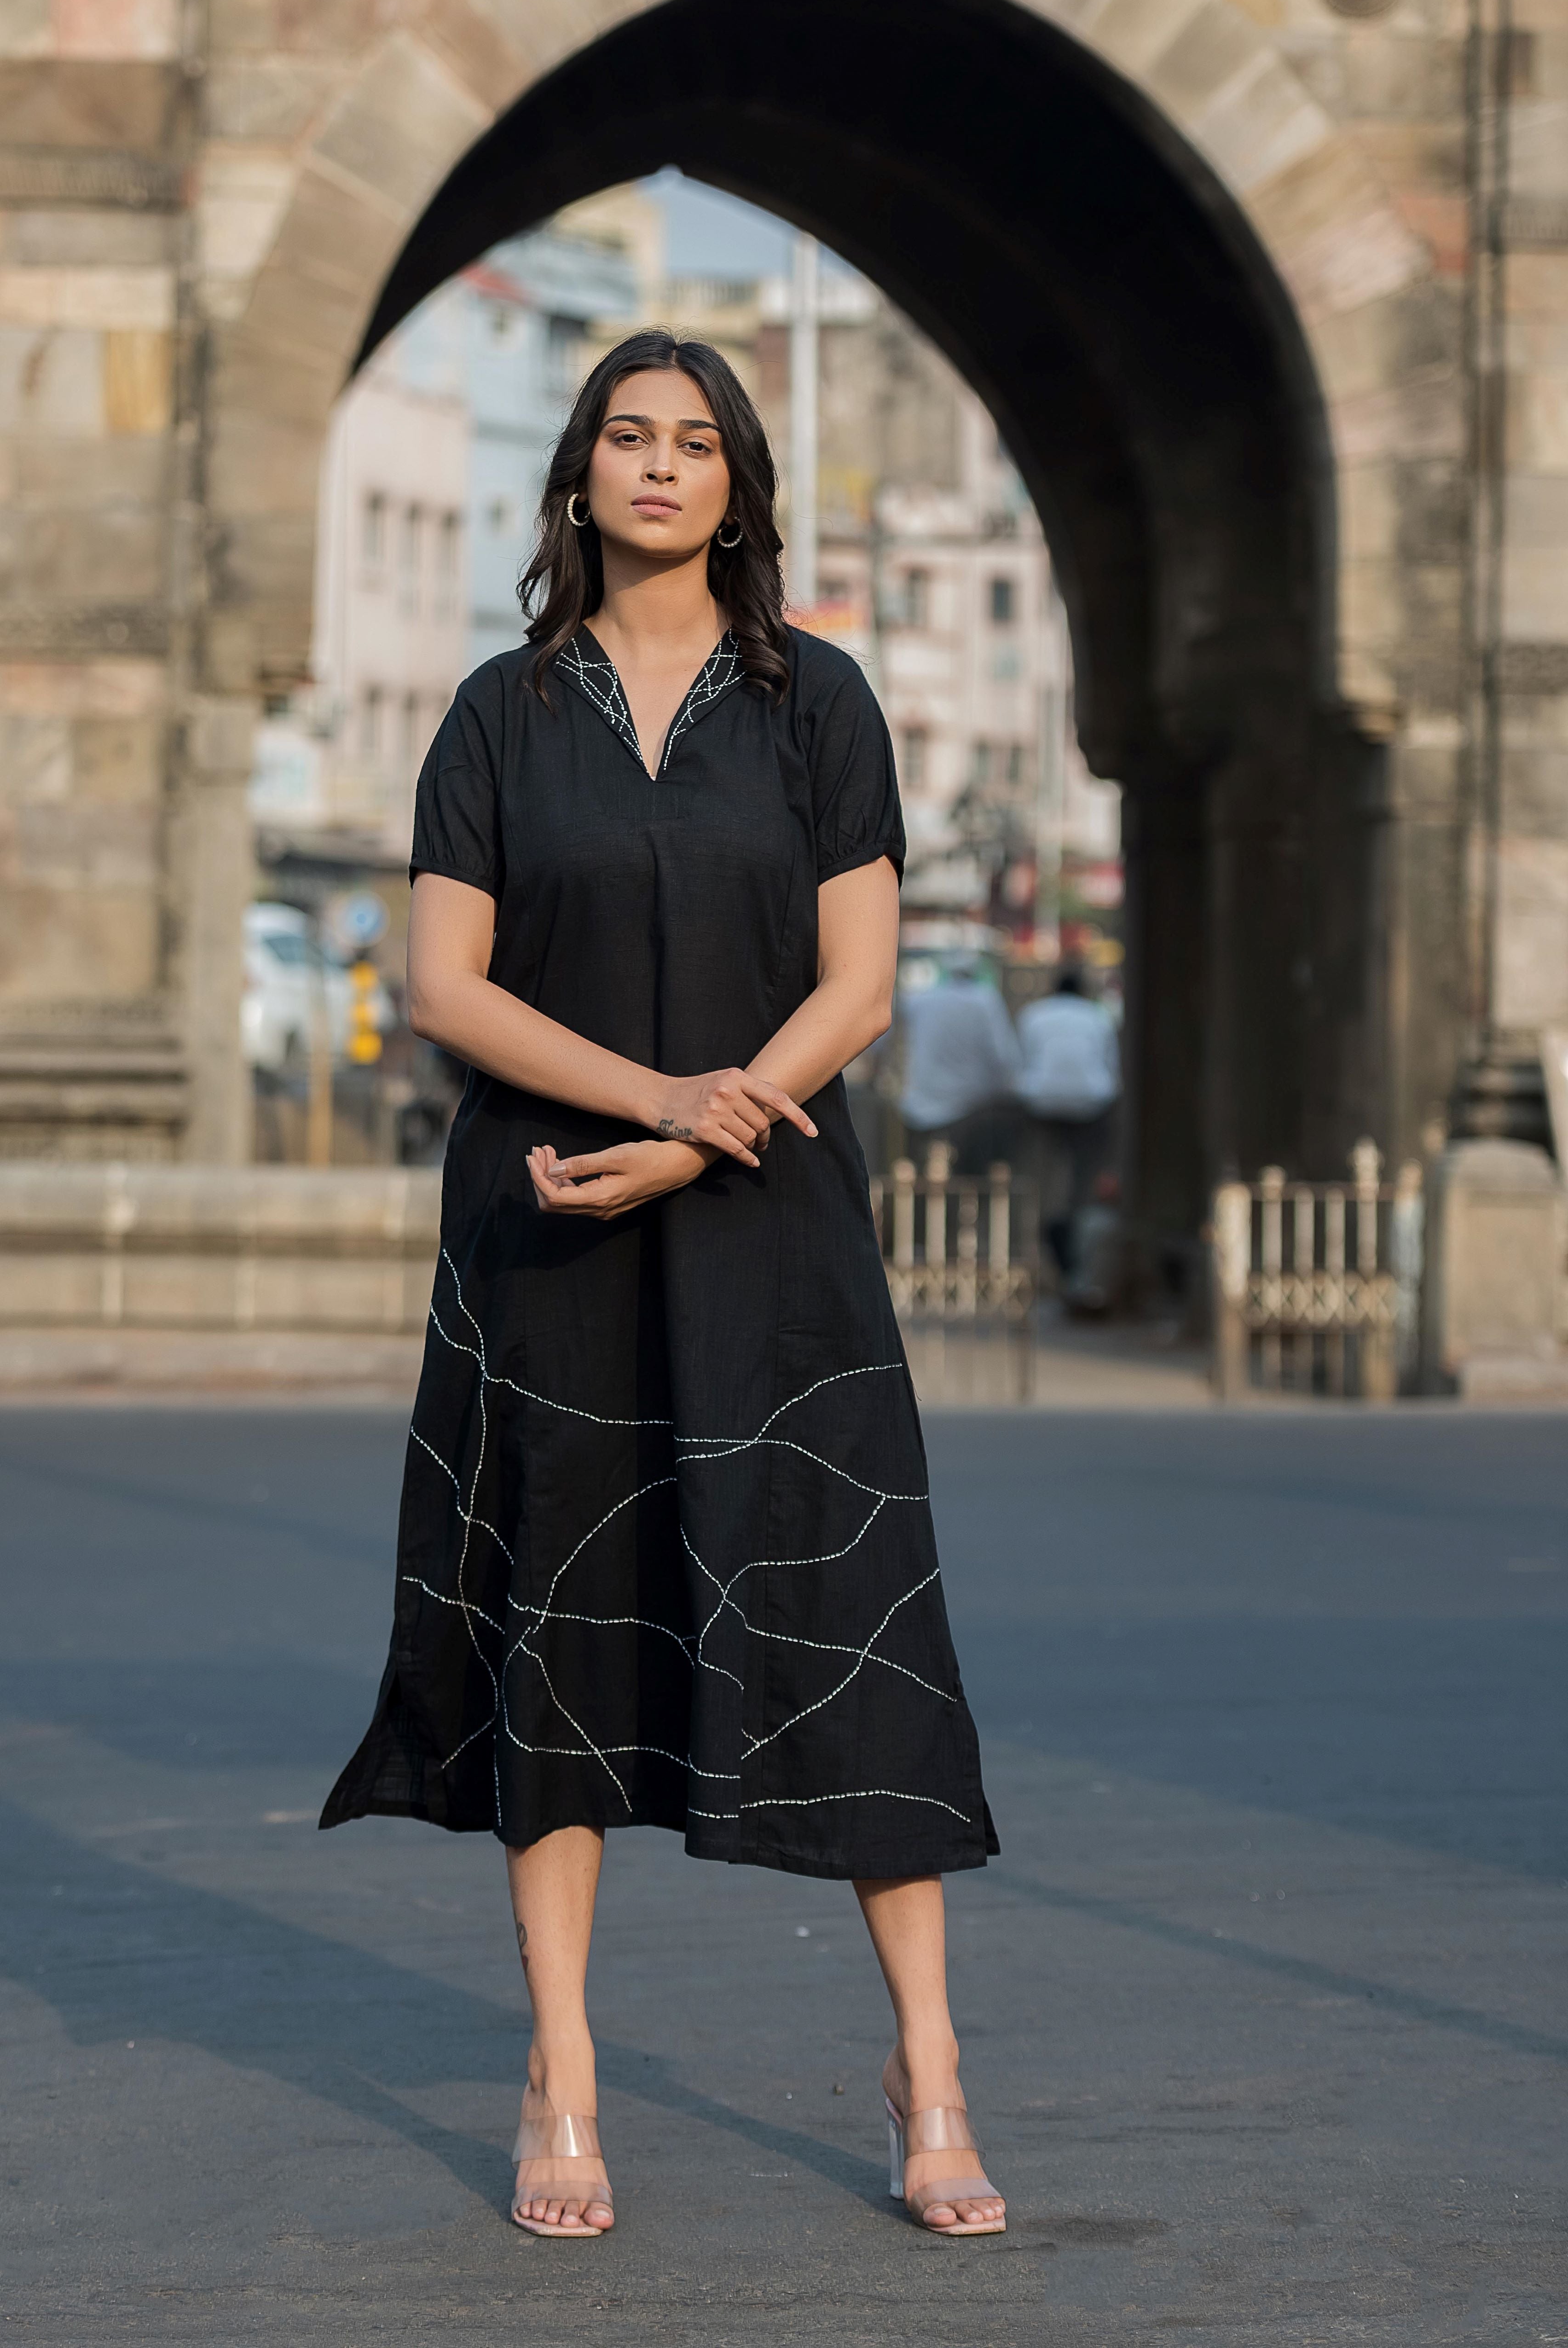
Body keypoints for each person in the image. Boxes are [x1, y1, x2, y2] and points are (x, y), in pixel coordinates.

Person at [321, 331, 1003, 2244]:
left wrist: (707, 1136)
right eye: (627, 435)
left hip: (769, 1226)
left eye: (695, 443)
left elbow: (857, 986)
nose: (658, 467)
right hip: (547, 1213)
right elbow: (447, 982)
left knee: (840, 1615)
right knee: (562, 1630)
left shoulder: (815, 702)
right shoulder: (491, 712)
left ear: (737, 484)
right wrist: (641, 1101)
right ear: (575, 472)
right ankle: (560, 2064)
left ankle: (928, 2066)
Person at [1016, 966, 1120, 1279]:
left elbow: (1023, 1060)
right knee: (1084, 1174)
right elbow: (1110, 1065)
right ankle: (1077, 1220)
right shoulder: (1097, 1015)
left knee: (1044, 1174)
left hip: (1041, 1101)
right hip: (1091, 1102)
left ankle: (1044, 1226)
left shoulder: (1034, 1013)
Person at [895, 954, 1023, 1179]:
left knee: (921, 1180)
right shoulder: (986, 1000)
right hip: (971, 1108)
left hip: (920, 1106)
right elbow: (1003, 1056)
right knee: (971, 1178)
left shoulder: (922, 1000)